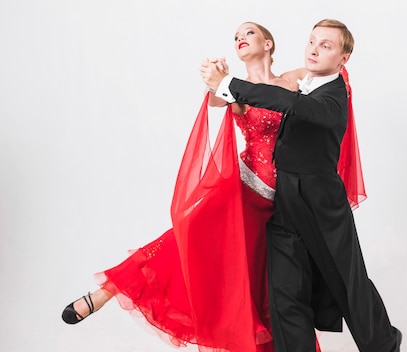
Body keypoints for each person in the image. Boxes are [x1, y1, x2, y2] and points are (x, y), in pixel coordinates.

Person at [61, 22, 326, 352]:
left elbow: (332, 76)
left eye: (249, 33)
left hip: (281, 203)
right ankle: (107, 291)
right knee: (182, 238)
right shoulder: (236, 88)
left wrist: (323, 48)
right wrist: (218, 80)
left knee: (261, 283)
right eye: (236, 37)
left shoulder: (293, 79)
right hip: (242, 191)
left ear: (268, 43)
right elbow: (216, 101)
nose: (240, 39)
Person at [201, 19, 402, 352]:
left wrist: (228, 83)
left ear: (343, 59)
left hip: (322, 207)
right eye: (312, 41)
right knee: (285, 294)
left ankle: (384, 345)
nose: (314, 48)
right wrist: (221, 86)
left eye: (326, 45)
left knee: (348, 286)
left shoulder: (335, 95)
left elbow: (291, 105)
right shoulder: (299, 82)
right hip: (285, 205)